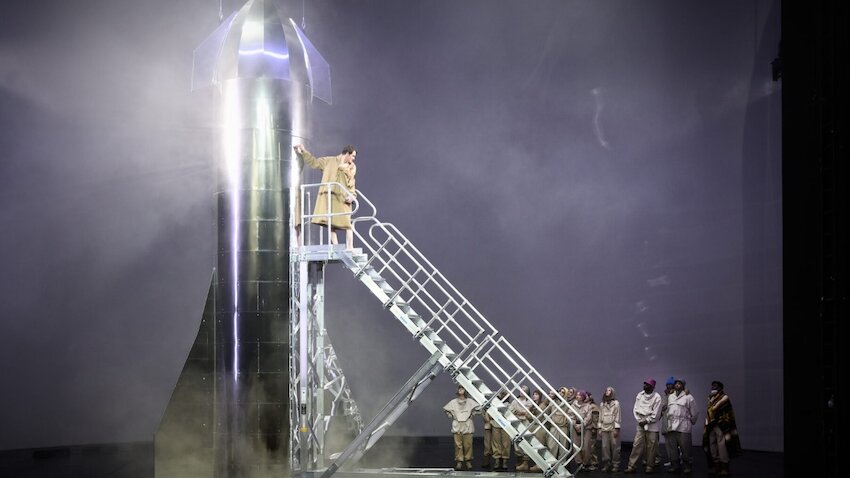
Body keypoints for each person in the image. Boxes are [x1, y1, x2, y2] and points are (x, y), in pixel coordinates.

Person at [293, 144, 357, 249]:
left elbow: (352, 183)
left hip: (343, 198)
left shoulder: (351, 167)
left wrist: (353, 196)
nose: (353, 159)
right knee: (330, 223)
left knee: (348, 224)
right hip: (330, 198)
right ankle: (336, 247)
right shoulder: (329, 161)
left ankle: (350, 247)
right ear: (347, 153)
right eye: (353, 156)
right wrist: (303, 151)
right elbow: (314, 163)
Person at [624, 378, 663, 474]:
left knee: (651, 446)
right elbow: (635, 409)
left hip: (652, 425)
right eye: (644, 384)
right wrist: (640, 420)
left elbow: (656, 414)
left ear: (652, 387)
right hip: (640, 423)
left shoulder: (657, 397)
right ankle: (631, 466)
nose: (644, 386)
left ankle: (650, 466)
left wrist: (647, 421)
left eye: (647, 385)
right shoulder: (640, 395)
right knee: (637, 444)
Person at [703, 381, 741, 476]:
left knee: (722, 446)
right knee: (712, 445)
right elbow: (709, 411)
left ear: (720, 388)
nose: (713, 387)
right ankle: (716, 466)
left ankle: (724, 467)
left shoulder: (724, 398)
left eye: (715, 386)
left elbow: (720, 410)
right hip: (711, 425)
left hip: (721, 425)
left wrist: (718, 420)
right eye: (712, 385)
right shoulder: (711, 398)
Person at [444, 386, 480, 471]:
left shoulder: (470, 402)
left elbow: (479, 408)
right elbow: (446, 410)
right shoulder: (453, 402)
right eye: (459, 388)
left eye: (462, 388)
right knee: (458, 445)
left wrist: (473, 413)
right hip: (457, 424)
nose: (461, 390)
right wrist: (451, 415)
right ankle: (459, 461)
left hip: (467, 424)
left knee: (468, 444)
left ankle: (468, 460)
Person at [666, 378, 699, 474]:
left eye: (679, 384)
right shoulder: (670, 396)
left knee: (685, 448)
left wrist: (691, 421)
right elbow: (669, 411)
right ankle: (675, 466)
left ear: (683, 385)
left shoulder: (688, 397)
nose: (677, 385)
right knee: (673, 448)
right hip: (672, 426)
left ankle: (687, 466)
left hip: (683, 426)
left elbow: (695, 412)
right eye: (676, 383)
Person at [599, 386, 622, 473]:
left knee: (615, 447)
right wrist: (599, 428)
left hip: (613, 428)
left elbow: (618, 416)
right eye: (606, 390)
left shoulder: (616, 403)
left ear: (612, 392)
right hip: (604, 428)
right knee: (605, 447)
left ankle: (615, 464)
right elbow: (600, 416)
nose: (607, 392)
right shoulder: (602, 404)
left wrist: (617, 428)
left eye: (609, 390)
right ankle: (606, 464)